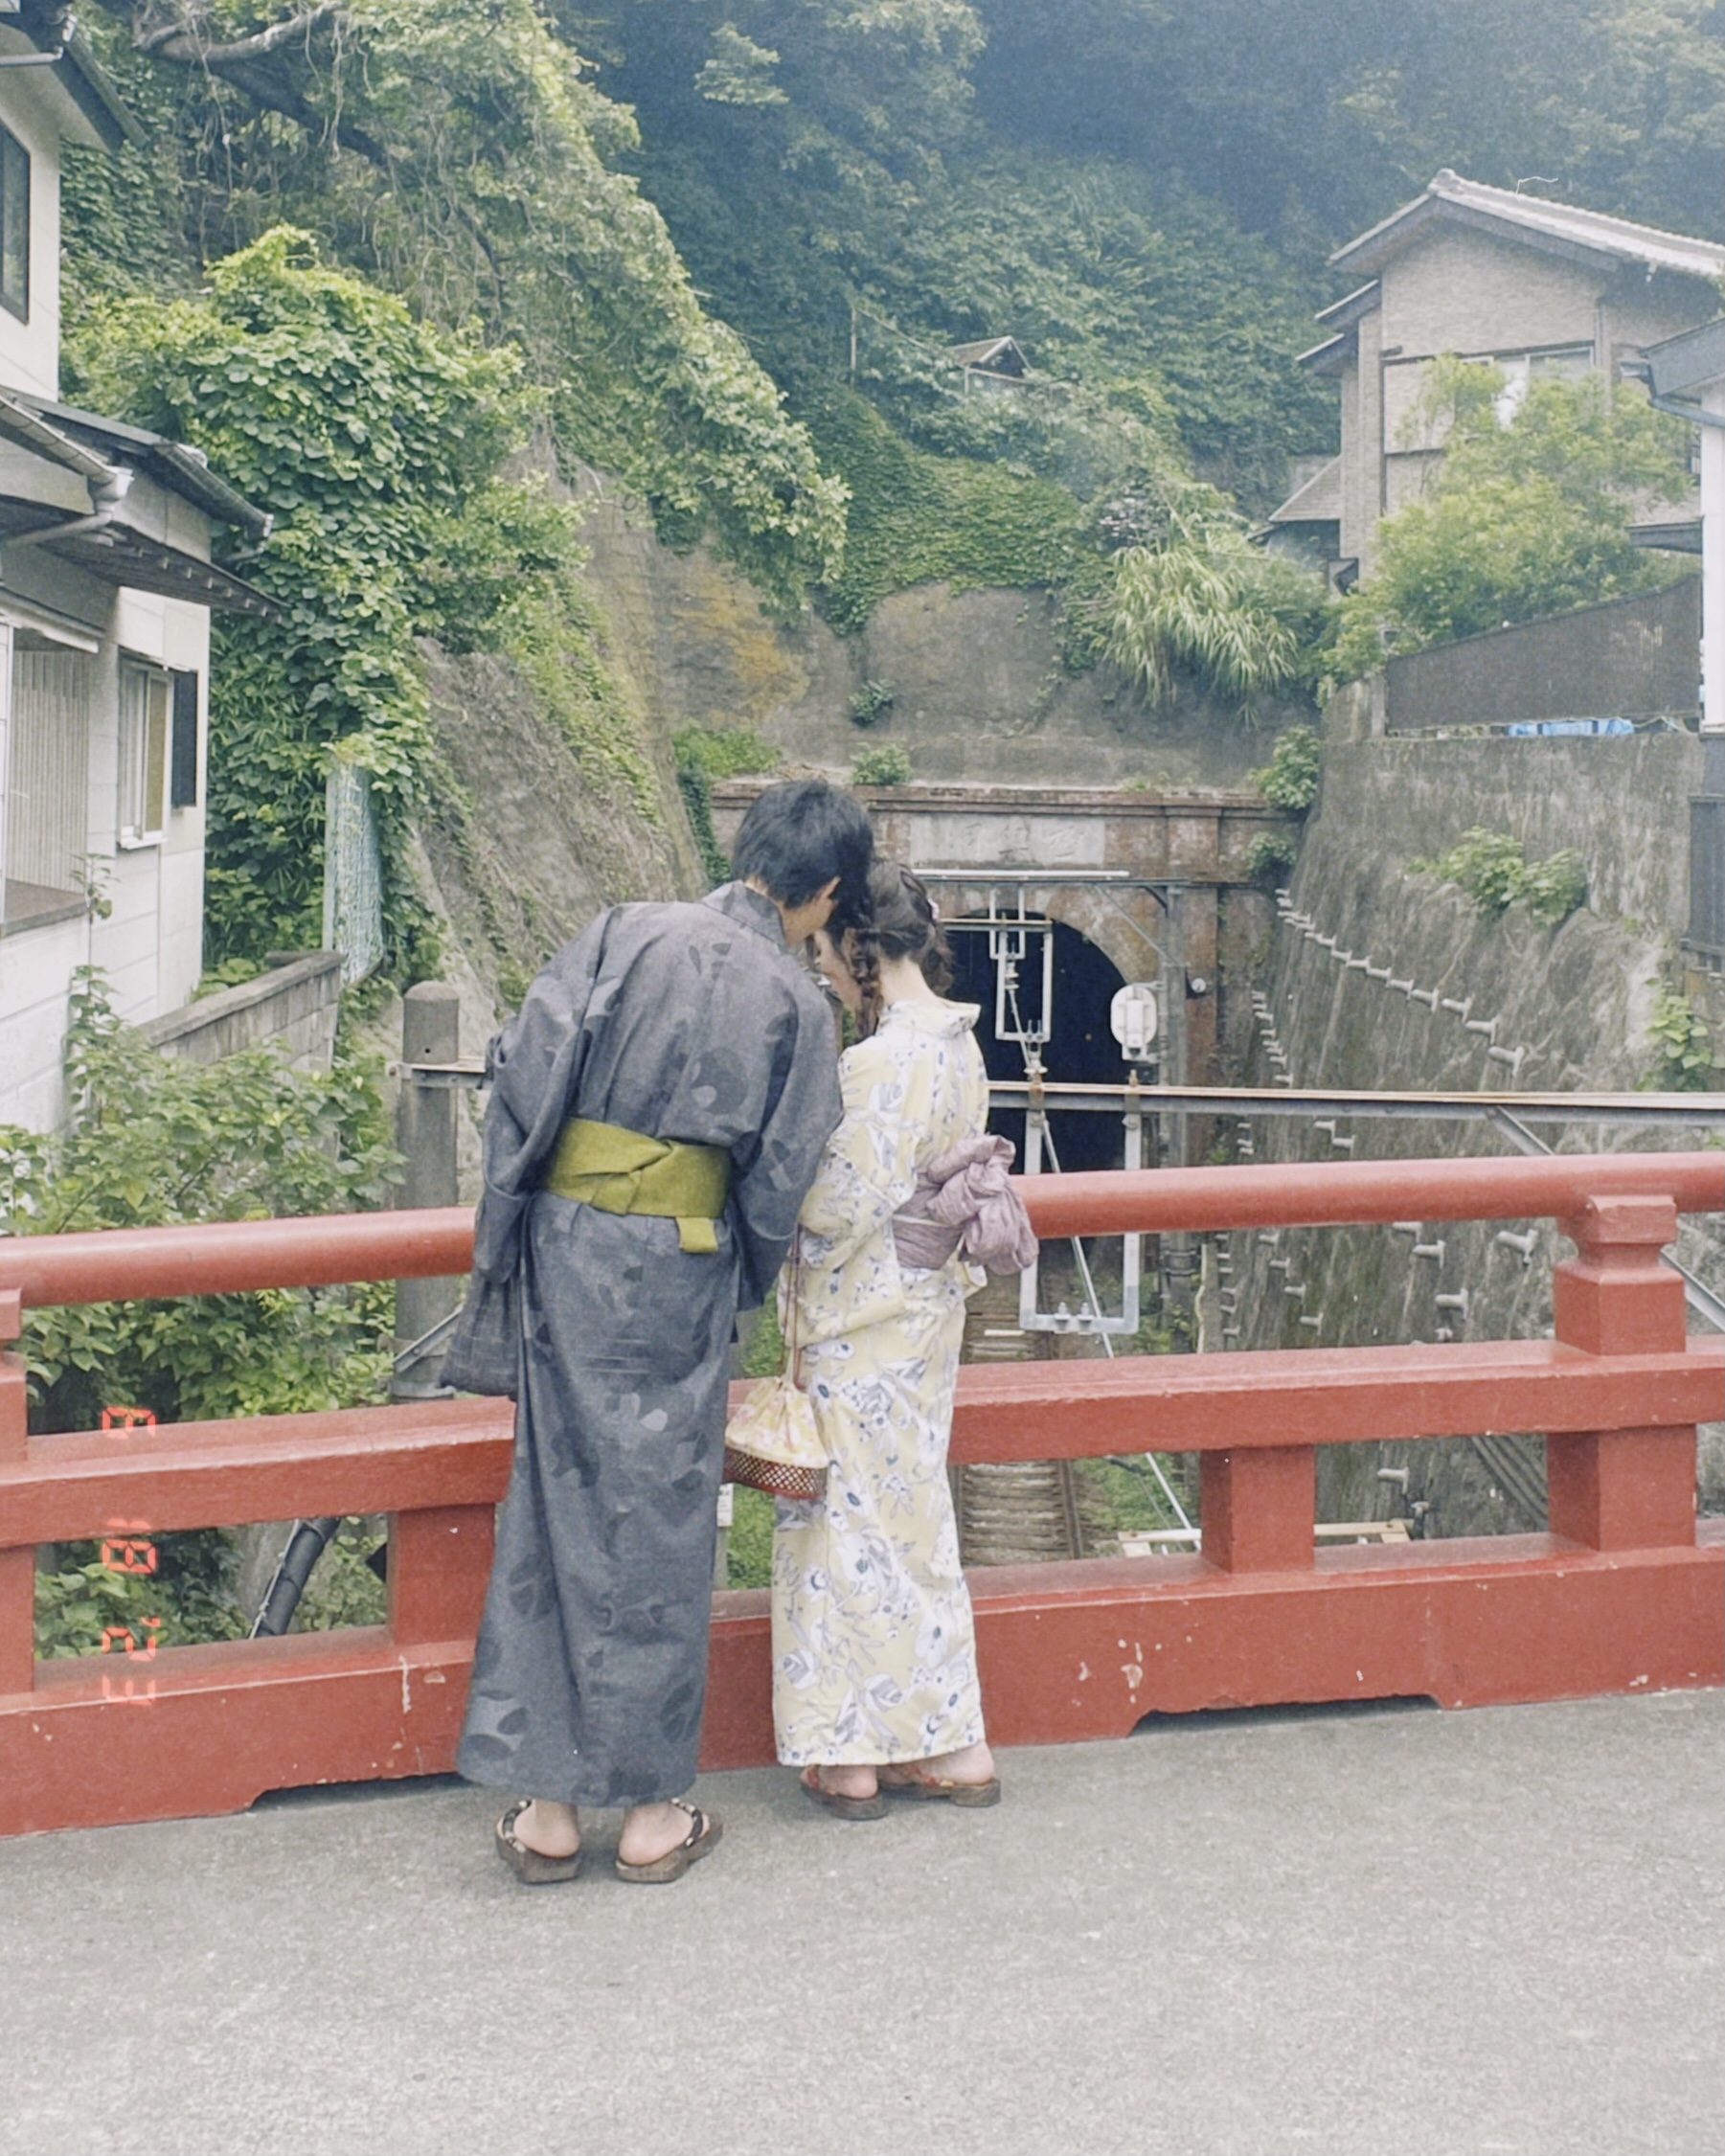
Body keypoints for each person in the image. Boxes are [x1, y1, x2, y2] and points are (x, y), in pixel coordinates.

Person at [443, 778, 874, 1883]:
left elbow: (523, 1070)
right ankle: (646, 1815)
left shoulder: (620, 932)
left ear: (743, 851)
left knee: (550, 1504)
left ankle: (544, 1811)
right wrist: (737, 1269)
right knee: (661, 1524)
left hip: (568, 1255)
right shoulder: (794, 1000)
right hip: (679, 1264)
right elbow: (781, 1176)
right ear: (823, 892)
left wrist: (521, 1219)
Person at [771, 863, 1036, 1818]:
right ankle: (953, 1739)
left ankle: (848, 1754)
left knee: (835, 1527)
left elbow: (835, 1205)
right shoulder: (960, 1048)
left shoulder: (876, 1064)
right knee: (913, 1525)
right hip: (926, 1311)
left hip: (859, 1318)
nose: (829, 976)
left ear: (856, 946)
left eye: (826, 954)